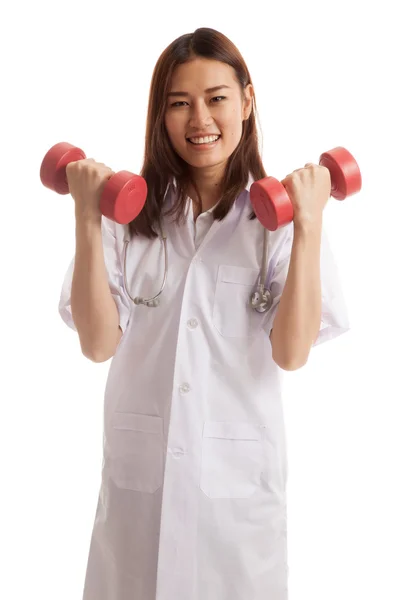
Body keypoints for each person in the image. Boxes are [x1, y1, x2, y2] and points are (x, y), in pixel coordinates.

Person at [59, 27, 349, 600]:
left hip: (236, 510)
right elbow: (97, 345)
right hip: (141, 497)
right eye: (178, 103)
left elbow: (290, 354)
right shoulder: (127, 218)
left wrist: (310, 223)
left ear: (246, 100)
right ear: (159, 116)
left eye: (216, 98)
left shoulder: (283, 225)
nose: (200, 120)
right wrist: (87, 217)